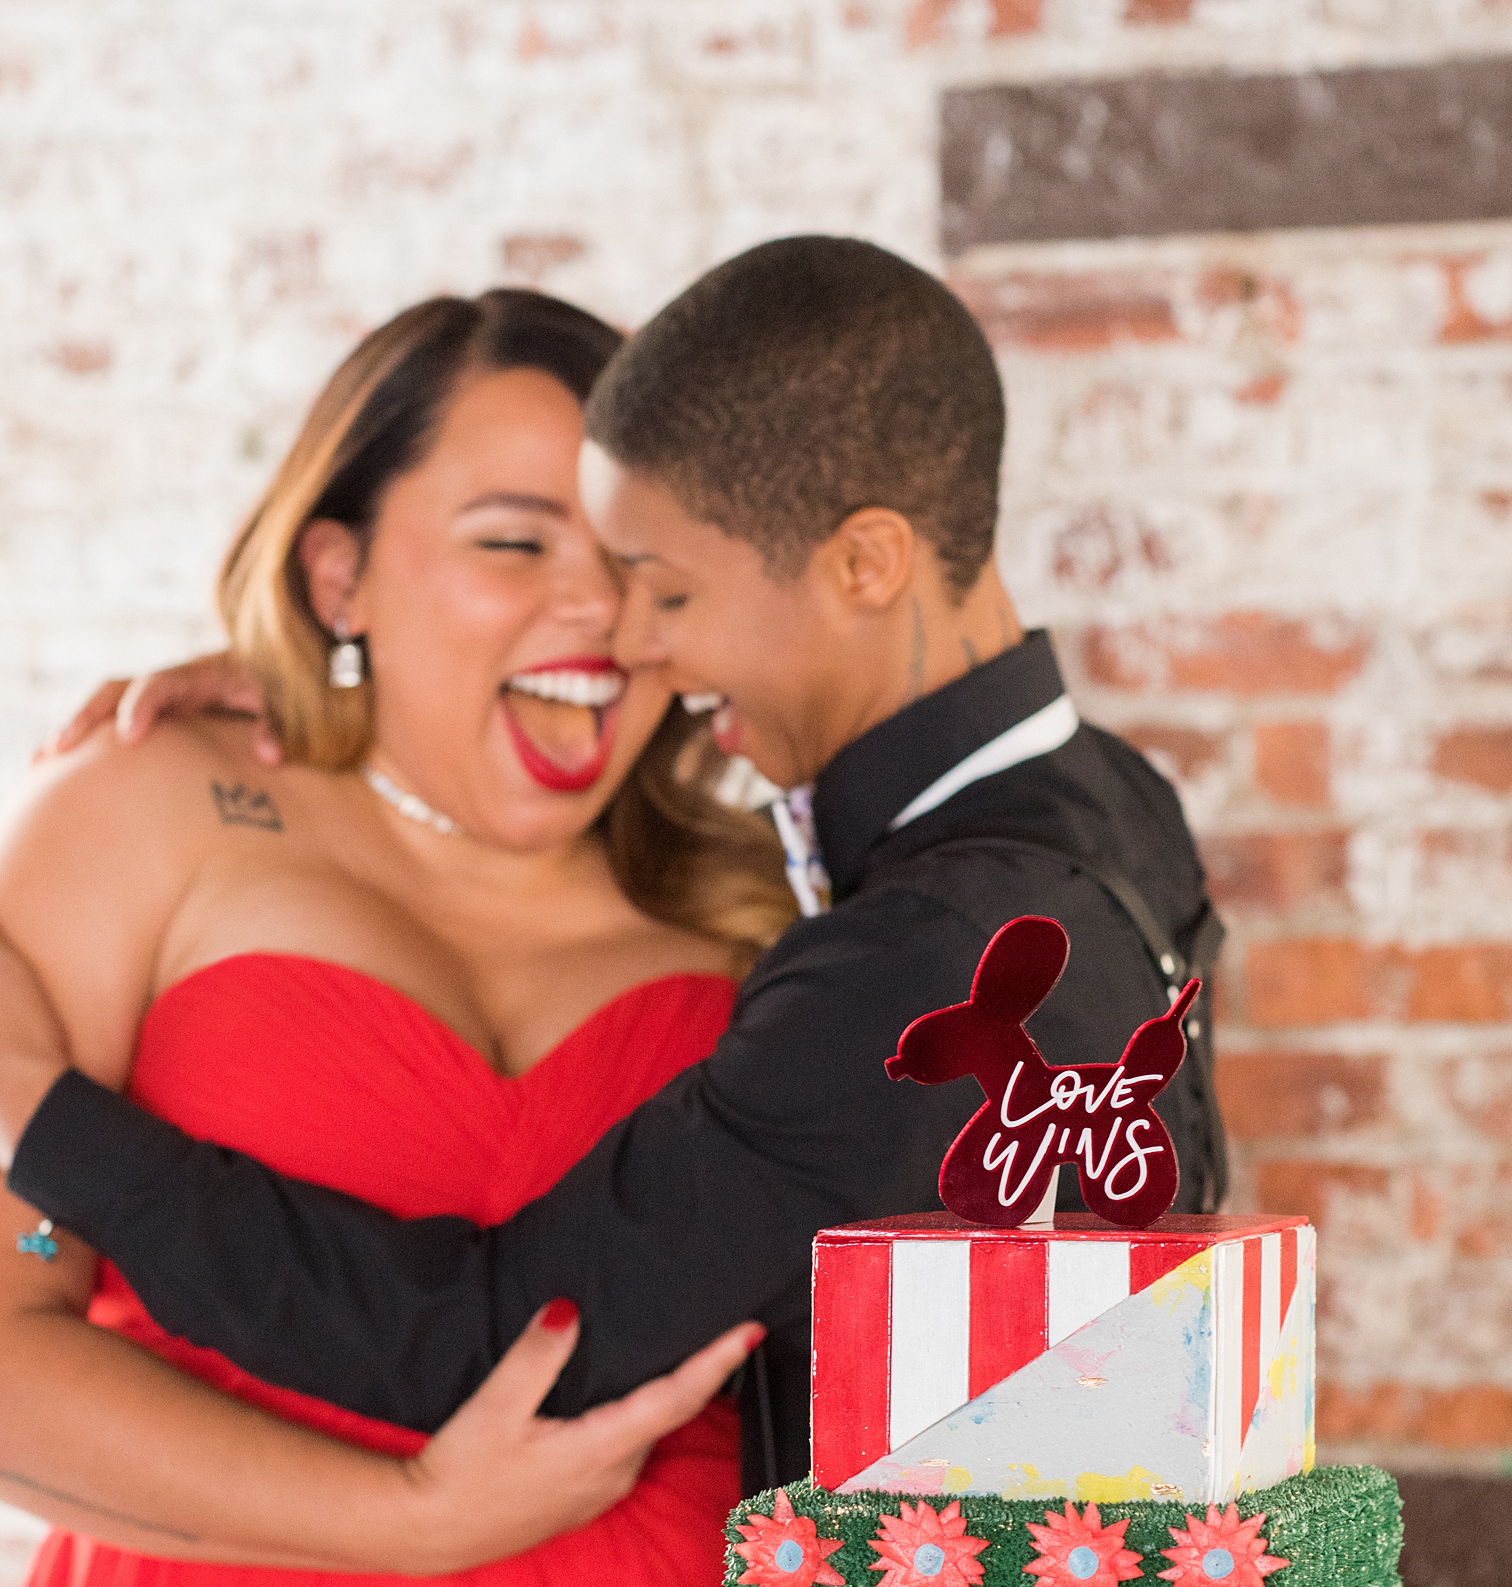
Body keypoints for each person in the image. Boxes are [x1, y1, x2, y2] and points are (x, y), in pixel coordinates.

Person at [2, 237, 1226, 1506]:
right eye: (516, 548)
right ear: (341, 574)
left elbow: (490, 1338)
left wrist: (40, 1112)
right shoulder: (1113, 805)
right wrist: (345, 682)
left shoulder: (908, 947)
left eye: (661, 585)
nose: (623, 634)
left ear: (863, 563)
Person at [0, 286, 781, 1587]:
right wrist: (415, 1521)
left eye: (633, 562)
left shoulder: (767, 934)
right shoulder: (163, 816)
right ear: (337, 567)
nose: (588, 614)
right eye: (511, 546)